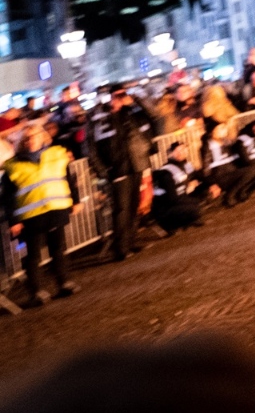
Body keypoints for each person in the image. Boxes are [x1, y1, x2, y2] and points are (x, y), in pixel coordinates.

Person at [2, 123, 82, 306]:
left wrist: (75, 200)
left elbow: (68, 179)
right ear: (22, 142)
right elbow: (8, 196)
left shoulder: (57, 155)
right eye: (27, 138)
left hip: (55, 209)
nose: (31, 140)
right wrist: (13, 220)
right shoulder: (13, 165)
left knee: (59, 249)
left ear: (42, 136)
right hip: (31, 216)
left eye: (35, 136)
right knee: (33, 256)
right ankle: (36, 292)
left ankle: (64, 283)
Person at [92, 86, 154, 260]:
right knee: (121, 209)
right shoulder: (99, 117)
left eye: (122, 95)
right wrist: (102, 170)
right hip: (116, 168)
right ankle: (120, 248)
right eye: (116, 96)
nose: (120, 99)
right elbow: (91, 147)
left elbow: (155, 117)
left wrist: (137, 100)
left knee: (133, 205)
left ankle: (131, 241)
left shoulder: (131, 112)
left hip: (135, 164)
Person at [150, 140, 209, 232]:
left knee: (204, 193)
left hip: (178, 197)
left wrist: (208, 184)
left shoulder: (186, 164)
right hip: (165, 205)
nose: (181, 153)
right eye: (178, 151)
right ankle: (168, 224)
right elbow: (172, 197)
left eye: (184, 149)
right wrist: (191, 194)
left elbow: (198, 176)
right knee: (195, 207)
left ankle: (183, 221)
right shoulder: (166, 171)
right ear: (170, 154)